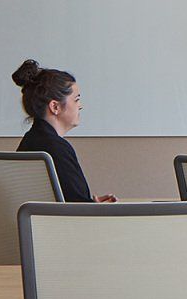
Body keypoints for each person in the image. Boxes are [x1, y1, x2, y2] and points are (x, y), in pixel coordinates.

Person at [11, 59, 114, 204]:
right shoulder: (57, 149)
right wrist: (95, 207)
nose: (81, 106)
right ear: (55, 107)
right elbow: (78, 209)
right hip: (63, 225)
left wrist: (91, 204)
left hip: (41, 225)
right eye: (76, 100)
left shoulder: (30, 141)